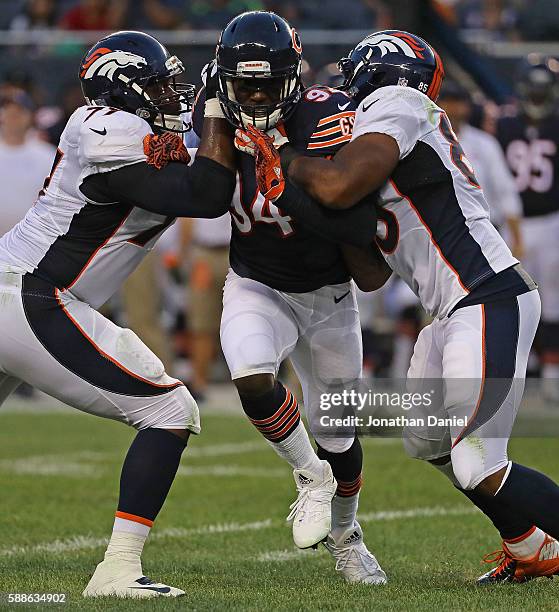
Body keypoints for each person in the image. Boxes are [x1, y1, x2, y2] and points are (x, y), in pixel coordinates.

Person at [243, 29, 559, 584]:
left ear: (379, 70)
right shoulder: (385, 134)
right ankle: (532, 547)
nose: (346, 91)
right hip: (450, 313)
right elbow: (368, 272)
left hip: (486, 296)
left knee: (478, 461)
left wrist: (288, 161)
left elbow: (339, 187)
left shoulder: (401, 103)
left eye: (354, 75)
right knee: (427, 439)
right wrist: (298, 195)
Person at [0, 30, 240, 598]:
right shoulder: (104, 128)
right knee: (168, 410)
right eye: (156, 85)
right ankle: (117, 570)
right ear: (122, 91)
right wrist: (215, 116)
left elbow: (205, 170)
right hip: (33, 295)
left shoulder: (140, 128)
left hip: (18, 290)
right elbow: (203, 194)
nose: (170, 94)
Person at [201, 11, 388, 584]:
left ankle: (349, 536)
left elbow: (348, 206)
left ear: (294, 76)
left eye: (266, 82)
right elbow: (207, 193)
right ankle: (310, 477)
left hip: (329, 292)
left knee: (338, 432)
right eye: (242, 83)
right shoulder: (212, 116)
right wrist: (212, 118)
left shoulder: (326, 116)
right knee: (252, 372)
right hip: (257, 279)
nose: (254, 95)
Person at [496, 56, 559, 402]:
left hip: (551, 221)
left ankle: (549, 375)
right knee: (515, 300)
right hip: (514, 222)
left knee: (551, 300)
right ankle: (523, 374)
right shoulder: (503, 125)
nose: (535, 98)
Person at [0, 90, 55, 238]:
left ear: (30, 117)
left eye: (19, 111)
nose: (13, 116)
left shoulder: (47, 155)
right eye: (7, 110)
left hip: (29, 243)